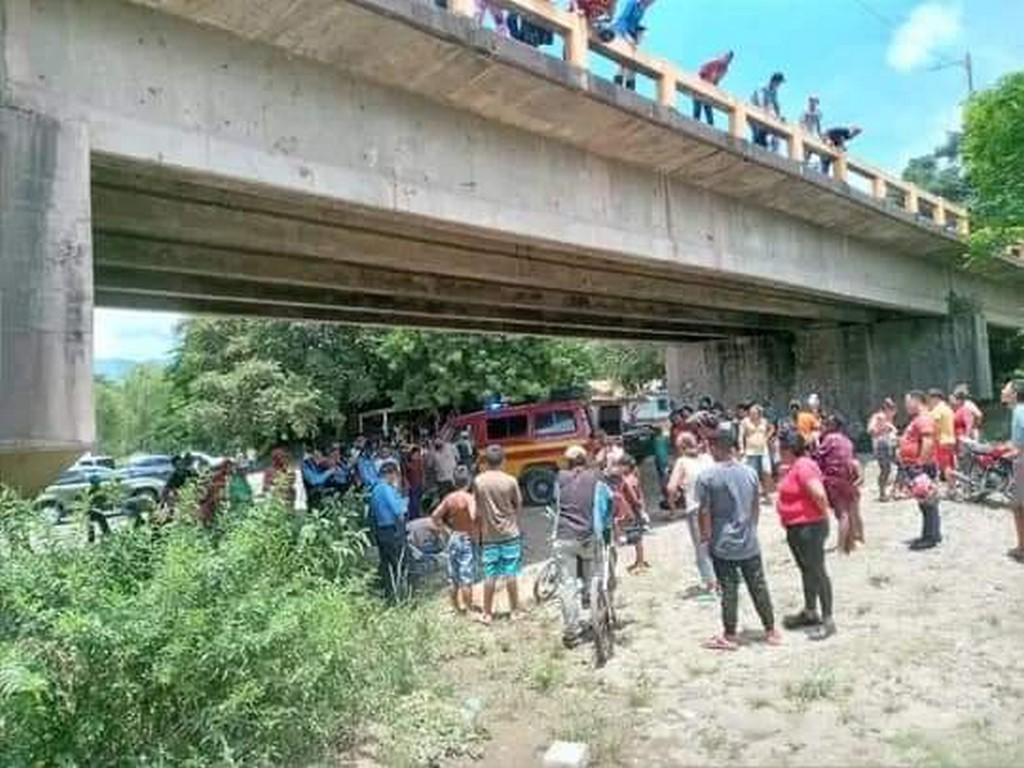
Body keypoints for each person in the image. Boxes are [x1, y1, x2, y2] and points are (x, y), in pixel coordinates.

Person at [697, 425, 780, 651]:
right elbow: (755, 506)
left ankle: (730, 635)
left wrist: (705, 538)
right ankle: (771, 630)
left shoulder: (707, 477)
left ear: (714, 448)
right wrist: (750, 527)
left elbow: (704, 512)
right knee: (758, 585)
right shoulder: (750, 473)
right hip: (749, 539)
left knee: (729, 589)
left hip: (722, 542)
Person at [775, 427, 836, 640]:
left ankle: (828, 619)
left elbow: (819, 494)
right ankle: (811, 611)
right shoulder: (793, 467)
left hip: (810, 527)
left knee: (817, 571)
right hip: (797, 527)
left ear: (788, 448)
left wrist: (822, 517)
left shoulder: (804, 466)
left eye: (779, 446)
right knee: (806, 570)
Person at [553, 445, 606, 646]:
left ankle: (571, 632)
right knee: (593, 576)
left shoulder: (560, 477)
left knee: (567, 585)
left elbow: (555, 500)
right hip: (588, 535)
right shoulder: (596, 477)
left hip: (564, 536)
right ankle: (594, 611)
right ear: (585, 460)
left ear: (567, 462)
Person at [473, 445, 524, 624]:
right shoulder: (510, 481)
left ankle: (487, 613)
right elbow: (518, 504)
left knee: (490, 574)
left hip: (489, 536)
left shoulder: (479, 481)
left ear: (486, 462)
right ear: (503, 461)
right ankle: (515, 611)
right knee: (511, 573)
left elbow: (477, 510)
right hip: (510, 533)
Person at [665, 432, 716, 598]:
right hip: (716, 505)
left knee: (702, 545)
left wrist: (673, 503)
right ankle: (724, 576)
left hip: (696, 507)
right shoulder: (708, 458)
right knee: (717, 541)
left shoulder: (682, 462)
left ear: (680, 447)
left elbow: (671, 487)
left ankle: (711, 582)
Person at [430, 466, 479, 614]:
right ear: (469, 481)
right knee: (466, 577)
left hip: (454, 536)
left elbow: (435, 516)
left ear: (454, 481)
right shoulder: (469, 498)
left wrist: (446, 530)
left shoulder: (449, 498)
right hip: (466, 538)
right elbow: (474, 516)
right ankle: (469, 609)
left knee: (454, 577)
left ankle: (456, 608)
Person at [815, 415, 863, 553]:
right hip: (848, 478)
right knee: (850, 511)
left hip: (835, 479)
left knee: (842, 514)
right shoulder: (847, 440)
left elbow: (818, 456)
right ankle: (851, 543)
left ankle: (841, 547)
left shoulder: (830, 439)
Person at [900, 391, 941, 548]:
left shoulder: (923, 418)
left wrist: (920, 463)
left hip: (921, 466)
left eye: (907, 402)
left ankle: (929, 537)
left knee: (927, 501)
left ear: (917, 401)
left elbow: (928, 441)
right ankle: (931, 534)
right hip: (917, 465)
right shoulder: (919, 419)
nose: (906, 406)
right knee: (925, 502)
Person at [368, 461, 409, 601]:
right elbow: (399, 510)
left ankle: (389, 595)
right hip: (392, 530)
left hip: (380, 531)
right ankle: (401, 596)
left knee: (386, 565)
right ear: (391, 474)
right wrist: (402, 498)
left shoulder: (374, 489)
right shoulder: (386, 489)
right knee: (399, 564)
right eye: (396, 475)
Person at [605, 0, 658, 91]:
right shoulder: (632, 3)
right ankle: (621, 80)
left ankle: (629, 83)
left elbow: (634, 24)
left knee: (633, 58)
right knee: (627, 56)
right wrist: (627, 37)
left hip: (631, 33)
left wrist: (639, 31)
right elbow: (623, 20)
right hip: (621, 31)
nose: (650, 4)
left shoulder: (642, 9)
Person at [1004, 380, 1024, 562]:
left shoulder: (1018, 412)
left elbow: (1020, 446)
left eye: (1006, 389)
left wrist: (1011, 453)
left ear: (1014, 395)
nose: (1003, 391)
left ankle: (1022, 548)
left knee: (1018, 507)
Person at [618, 455, 650, 572]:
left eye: (621, 466)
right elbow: (640, 494)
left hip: (632, 510)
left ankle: (640, 562)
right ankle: (639, 560)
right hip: (637, 510)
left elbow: (632, 496)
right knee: (638, 536)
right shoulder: (634, 477)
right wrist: (642, 508)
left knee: (636, 537)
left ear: (626, 466)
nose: (619, 468)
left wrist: (635, 508)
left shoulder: (626, 480)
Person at [740, 403, 773, 502]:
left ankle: (766, 493)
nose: (752, 415)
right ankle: (752, 494)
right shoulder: (745, 422)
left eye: (754, 413)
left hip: (763, 450)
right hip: (750, 451)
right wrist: (741, 448)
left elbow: (772, 428)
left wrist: (767, 437)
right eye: (751, 413)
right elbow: (741, 436)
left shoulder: (764, 421)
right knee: (751, 473)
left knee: (766, 471)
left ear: (759, 414)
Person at [867, 398, 899, 501]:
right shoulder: (878, 417)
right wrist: (883, 429)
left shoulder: (889, 419)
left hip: (892, 445)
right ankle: (882, 493)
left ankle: (895, 489)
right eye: (891, 408)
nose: (893, 412)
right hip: (882, 446)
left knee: (903, 466)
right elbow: (871, 431)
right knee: (885, 470)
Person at [693, 50, 734, 125]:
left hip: (709, 89)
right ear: (723, 56)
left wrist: (714, 88)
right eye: (726, 58)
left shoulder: (724, 69)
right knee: (697, 108)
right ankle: (695, 123)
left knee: (708, 108)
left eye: (729, 60)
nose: (727, 61)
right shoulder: (713, 62)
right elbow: (701, 71)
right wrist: (702, 82)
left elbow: (717, 81)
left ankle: (710, 125)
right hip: (700, 85)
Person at [928, 389, 957, 489]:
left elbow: (934, 425)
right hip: (951, 439)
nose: (930, 402)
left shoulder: (937, 410)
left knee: (945, 466)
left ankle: (951, 488)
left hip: (941, 441)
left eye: (930, 399)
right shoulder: (948, 409)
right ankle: (952, 485)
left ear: (935, 398)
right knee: (950, 465)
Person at [750, 72, 785, 150]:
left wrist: (779, 116)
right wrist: (768, 113)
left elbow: (776, 105)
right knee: (757, 135)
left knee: (767, 135)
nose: (779, 86)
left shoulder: (774, 91)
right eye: (779, 83)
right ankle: (755, 149)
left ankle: (770, 149)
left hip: (764, 115)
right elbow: (760, 103)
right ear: (774, 81)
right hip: (754, 113)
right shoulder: (762, 88)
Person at [405, 443, 425, 520]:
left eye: (418, 453)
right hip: (412, 485)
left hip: (419, 483)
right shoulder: (408, 463)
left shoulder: (420, 462)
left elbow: (422, 472)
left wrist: (423, 481)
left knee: (418, 500)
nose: (416, 455)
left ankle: (417, 514)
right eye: (415, 453)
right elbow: (405, 474)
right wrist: (407, 483)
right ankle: (413, 516)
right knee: (413, 501)